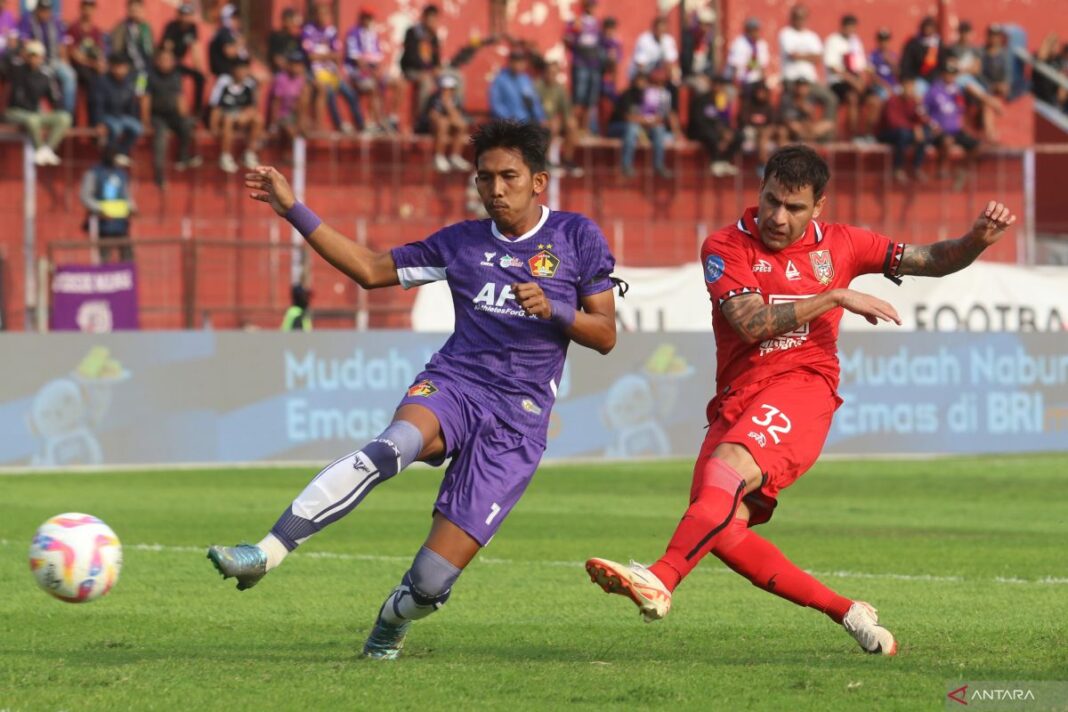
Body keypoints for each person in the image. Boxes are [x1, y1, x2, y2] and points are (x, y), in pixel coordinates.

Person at [209, 119, 621, 661]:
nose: (495, 190)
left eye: (509, 177)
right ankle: (266, 551)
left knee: (430, 583)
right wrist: (292, 208)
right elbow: (369, 269)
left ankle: (392, 619)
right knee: (393, 444)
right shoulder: (460, 243)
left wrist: (556, 309)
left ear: (538, 181)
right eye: (485, 179)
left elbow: (607, 334)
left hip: (517, 423)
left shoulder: (576, 237)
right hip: (456, 383)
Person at [585, 143, 1017, 657]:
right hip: (737, 397)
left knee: (725, 474)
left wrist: (975, 240)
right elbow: (748, 324)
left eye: (793, 208)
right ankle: (848, 612)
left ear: (818, 207)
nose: (777, 217)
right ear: (760, 190)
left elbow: (931, 260)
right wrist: (834, 296)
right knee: (720, 527)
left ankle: (660, 577)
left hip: (803, 388)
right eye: (771, 201)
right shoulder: (725, 246)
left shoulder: (844, 244)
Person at [4, 40, 71, 166]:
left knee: (64, 117)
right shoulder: (17, 68)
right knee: (33, 119)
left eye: (37, 55)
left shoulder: (45, 75)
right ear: (26, 55)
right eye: (31, 55)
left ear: (42, 57)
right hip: (15, 111)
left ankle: (47, 149)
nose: (34, 59)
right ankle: (39, 150)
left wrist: (57, 109)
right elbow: (7, 61)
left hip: (34, 111)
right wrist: (18, 49)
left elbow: (55, 98)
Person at [607, 66, 679, 179]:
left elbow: (657, 117)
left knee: (659, 130)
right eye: (639, 81)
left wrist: (651, 121)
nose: (642, 84)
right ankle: (626, 165)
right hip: (618, 127)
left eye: (644, 81)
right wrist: (646, 121)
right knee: (632, 128)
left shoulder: (649, 96)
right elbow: (628, 117)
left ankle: (658, 165)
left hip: (641, 127)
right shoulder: (627, 95)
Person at [303, 2, 363, 134]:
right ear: (315, 15)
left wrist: (322, 55)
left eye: (325, 13)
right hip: (316, 73)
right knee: (329, 92)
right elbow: (311, 57)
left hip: (331, 73)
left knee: (350, 93)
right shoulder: (308, 30)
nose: (323, 16)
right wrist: (328, 55)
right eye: (320, 13)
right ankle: (339, 124)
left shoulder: (331, 31)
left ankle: (361, 125)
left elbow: (337, 56)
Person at [146, 48, 200, 185]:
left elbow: (180, 97)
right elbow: (143, 99)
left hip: (173, 115)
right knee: (161, 139)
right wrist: (144, 121)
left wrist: (186, 117)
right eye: (163, 60)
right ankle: (159, 175)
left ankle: (183, 157)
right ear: (157, 61)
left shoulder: (176, 76)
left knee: (188, 124)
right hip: (156, 116)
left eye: (170, 60)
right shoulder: (146, 75)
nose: (166, 63)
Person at [17, 0, 76, 114]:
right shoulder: (28, 20)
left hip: (54, 60)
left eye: (47, 10)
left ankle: (68, 113)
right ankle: (40, 112)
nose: (44, 13)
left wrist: (65, 61)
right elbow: (25, 43)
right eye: (42, 10)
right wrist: (35, 59)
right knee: (45, 76)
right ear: (37, 10)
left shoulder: (55, 22)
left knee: (70, 75)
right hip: (36, 61)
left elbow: (61, 45)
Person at [345, 7, 398, 133]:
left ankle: (391, 118)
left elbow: (378, 58)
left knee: (398, 83)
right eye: (366, 18)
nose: (368, 21)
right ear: (361, 18)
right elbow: (357, 60)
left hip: (373, 72)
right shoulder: (353, 33)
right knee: (373, 86)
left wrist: (378, 70)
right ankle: (375, 121)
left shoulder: (373, 34)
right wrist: (372, 71)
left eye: (370, 18)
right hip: (357, 72)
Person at [778, 4, 837, 117]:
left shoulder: (812, 36)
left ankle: (825, 131)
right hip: (792, 80)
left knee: (831, 99)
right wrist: (810, 56)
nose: (799, 20)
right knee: (800, 103)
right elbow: (793, 55)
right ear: (792, 18)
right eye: (797, 17)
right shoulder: (785, 33)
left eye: (802, 17)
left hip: (810, 81)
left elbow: (818, 58)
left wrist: (802, 56)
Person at [80, 148, 136, 262]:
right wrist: (100, 209)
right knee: (104, 258)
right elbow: (85, 196)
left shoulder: (121, 173)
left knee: (128, 256)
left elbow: (126, 195)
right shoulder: (94, 173)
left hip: (121, 222)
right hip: (102, 223)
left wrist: (132, 208)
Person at [209, 57, 263, 173]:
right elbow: (216, 106)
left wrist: (244, 116)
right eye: (240, 69)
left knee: (258, 119)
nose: (243, 72)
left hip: (241, 117)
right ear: (233, 70)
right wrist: (213, 126)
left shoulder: (249, 85)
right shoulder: (223, 82)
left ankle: (249, 154)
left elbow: (252, 107)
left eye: (245, 69)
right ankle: (225, 156)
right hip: (225, 116)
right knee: (228, 119)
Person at [534, 56, 583, 176]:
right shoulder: (536, 86)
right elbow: (532, 108)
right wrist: (542, 120)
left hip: (553, 122)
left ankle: (567, 159)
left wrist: (569, 121)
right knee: (553, 125)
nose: (552, 75)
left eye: (554, 73)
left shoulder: (560, 89)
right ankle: (546, 160)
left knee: (572, 126)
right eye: (549, 72)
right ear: (544, 72)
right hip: (537, 122)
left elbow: (566, 110)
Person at [93, 52, 142, 166]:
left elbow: (131, 104)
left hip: (121, 115)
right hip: (106, 116)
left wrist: (136, 117)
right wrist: (99, 122)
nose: (121, 70)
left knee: (137, 127)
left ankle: (121, 153)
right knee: (116, 127)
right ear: (112, 67)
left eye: (124, 67)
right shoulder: (102, 81)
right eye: (119, 67)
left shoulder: (129, 82)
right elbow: (97, 104)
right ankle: (109, 156)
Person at [823, 14, 868, 138]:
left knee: (873, 98)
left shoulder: (856, 42)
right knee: (852, 97)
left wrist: (861, 81)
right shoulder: (833, 40)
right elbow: (833, 68)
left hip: (854, 81)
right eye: (849, 27)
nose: (851, 30)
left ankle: (868, 134)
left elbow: (860, 66)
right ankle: (853, 135)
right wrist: (853, 81)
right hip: (838, 82)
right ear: (842, 27)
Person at [877, 76, 928, 183]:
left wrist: (919, 105)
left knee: (925, 134)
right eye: (908, 87)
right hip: (886, 133)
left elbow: (922, 120)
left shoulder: (914, 102)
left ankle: (917, 166)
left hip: (906, 132)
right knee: (903, 134)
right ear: (902, 87)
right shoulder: (892, 100)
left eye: (913, 87)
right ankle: (898, 168)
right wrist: (914, 127)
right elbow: (893, 122)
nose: (911, 90)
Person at [688, 73, 741, 177]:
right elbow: (699, 121)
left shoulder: (722, 101)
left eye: (722, 86)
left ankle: (724, 161)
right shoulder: (701, 99)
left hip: (718, 130)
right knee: (710, 134)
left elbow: (725, 120)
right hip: (700, 130)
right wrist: (720, 133)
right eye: (717, 85)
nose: (720, 88)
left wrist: (726, 133)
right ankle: (715, 162)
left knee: (738, 135)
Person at [159, 3, 206, 115]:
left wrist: (199, 68)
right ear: (178, 15)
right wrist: (168, 64)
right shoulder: (171, 26)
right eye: (183, 15)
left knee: (200, 77)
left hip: (178, 63)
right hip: (166, 61)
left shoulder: (192, 28)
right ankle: (174, 111)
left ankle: (197, 111)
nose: (185, 18)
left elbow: (195, 48)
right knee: (176, 79)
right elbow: (167, 47)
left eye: (188, 15)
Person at [563, 0, 602, 135]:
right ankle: (572, 129)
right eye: (589, 5)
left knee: (591, 99)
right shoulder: (576, 21)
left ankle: (586, 129)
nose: (592, 8)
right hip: (580, 63)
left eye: (593, 5)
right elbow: (568, 38)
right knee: (579, 97)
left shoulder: (597, 24)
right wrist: (575, 30)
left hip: (594, 64)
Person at [418, 74, 470, 173]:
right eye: (445, 88)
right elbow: (433, 115)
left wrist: (448, 105)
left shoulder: (456, 99)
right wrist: (447, 115)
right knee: (443, 124)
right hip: (431, 126)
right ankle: (439, 157)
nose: (447, 91)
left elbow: (457, 116)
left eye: (450, 89)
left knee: (461, 125)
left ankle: (455, 156)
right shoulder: (434, 98)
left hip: (448, 123)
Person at [66, 0, 107, 125]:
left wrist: (100, 64)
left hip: (91, 67)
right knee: (91, 82)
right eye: (86, 7)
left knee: (103, 82)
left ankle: (98, 122)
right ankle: (74, 122)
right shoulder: (73, 28)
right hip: (77, 67)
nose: (88, 10)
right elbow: (73, 53)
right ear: (81, 8)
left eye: (91, 7)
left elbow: (100, 51)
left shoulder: (96, 31)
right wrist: (91, 64)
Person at [400, 4, 442, 126]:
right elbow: (410, 57)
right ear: (424, 18)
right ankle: (422, 120)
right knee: (426, 82)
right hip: (411, 70)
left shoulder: (434, 37)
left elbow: (436, 59)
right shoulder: (412, 32)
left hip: (428, 72)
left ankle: (450, 113)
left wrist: (437, 69)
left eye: (435, 19)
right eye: (430, 18)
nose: (433, 21)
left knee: (452, 78)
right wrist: (427, 71)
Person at [489, 49, 545, 124]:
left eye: (521, 61)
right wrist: (508, 119)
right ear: (510, 62)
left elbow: (534, 101)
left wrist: (540, 117)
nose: (519, 64)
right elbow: (496, 105)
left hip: (526, 123)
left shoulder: (526, 80)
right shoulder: (500, 80)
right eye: (516, 61)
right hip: (507, 125)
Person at [778, 77, 835, 143]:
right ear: (795, 88)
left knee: (827, 125)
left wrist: (808, 111)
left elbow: (812, 120)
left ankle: (809, 145)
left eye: (804, 87)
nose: (801, 89)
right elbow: (787, 119)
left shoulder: (810, 99)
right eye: (799, 87)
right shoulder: (787, 99)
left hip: (807, 128)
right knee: (786, 129)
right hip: (792, 127)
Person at [109, 0, 152, 88]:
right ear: (128, 11)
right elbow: (116, 50)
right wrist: (122, 65)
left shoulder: (145, 28)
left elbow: (150, 51)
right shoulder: (121, 27)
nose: (135, 12)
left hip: (143, 70)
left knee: (141, 92)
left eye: (137, 9)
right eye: (132, 10)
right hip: (127, 68)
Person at [269, 50, 310, 141]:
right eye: (295, 64)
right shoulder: (281, 79)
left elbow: (302, 103)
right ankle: (292, 154)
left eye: (300, 64)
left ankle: (298, 153)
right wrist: (273, 125)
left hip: (294, 116)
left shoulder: (301, 80)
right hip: (282, 116)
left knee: (304, 130)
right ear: (289, 65)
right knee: (291, 132)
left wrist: (301, 121)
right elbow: (276, 102)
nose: (297, 67)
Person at [900, 16, 946, 93]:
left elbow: (943, 64)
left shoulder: (939, 44)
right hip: (918, 79)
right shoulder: (913, 44)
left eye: (930, 27)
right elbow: (906, 64)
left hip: (935, 80)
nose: (928, 29)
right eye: (926, 27)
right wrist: (908, 79)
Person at [727, 18, 770, 94]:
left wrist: (763, 83)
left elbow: (763, 65)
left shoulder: (762, 44)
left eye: (756, 30)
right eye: (752, 30)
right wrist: (735, 83)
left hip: (756, 81)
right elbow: (736, 65)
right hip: (741, 80)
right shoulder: (739, 43)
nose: (755, 33)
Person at [208, 3, 248, 78]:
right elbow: (229, 52)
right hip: (225, 76)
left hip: (235, 76)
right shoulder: (224, 32)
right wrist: (239, 43)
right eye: (234, 18)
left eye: (237, 17)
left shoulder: (234, 34)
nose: (237, 20)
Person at [267, 7, 304, 73]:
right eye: (291, 21)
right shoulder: (276, 36)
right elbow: (277, 59)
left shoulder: (296, 38)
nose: (293, 23)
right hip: (280, 73)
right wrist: (290, 69)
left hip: (294, 73)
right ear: (285, 21)